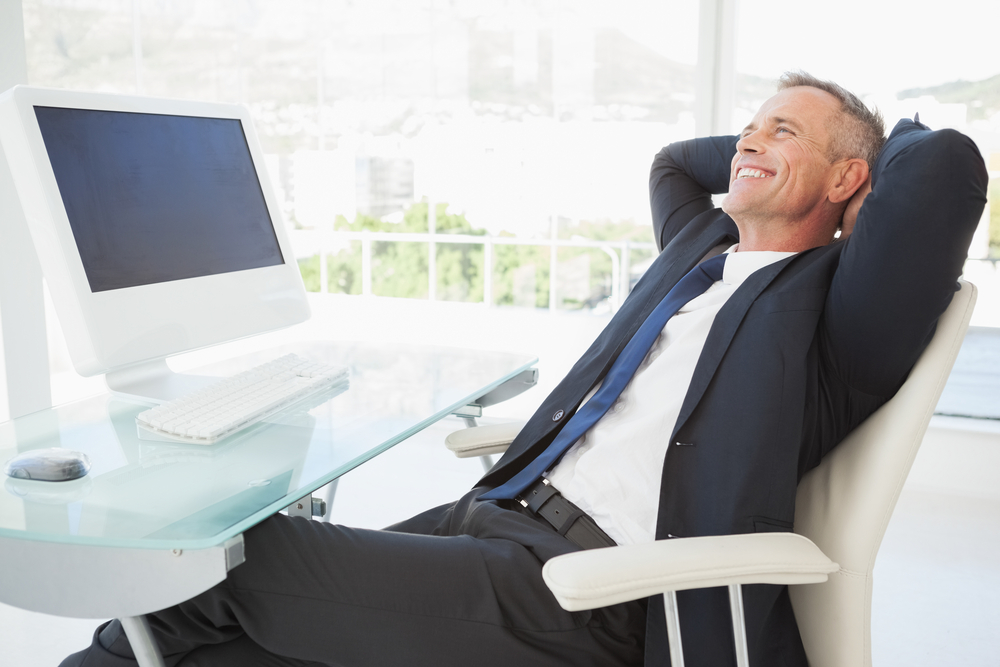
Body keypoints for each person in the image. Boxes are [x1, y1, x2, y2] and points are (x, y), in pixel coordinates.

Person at [62, 72, 988, 667]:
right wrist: (769, 148)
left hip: (586, 594)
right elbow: (673, 162)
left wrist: (868, 143)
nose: (745, 142)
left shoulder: (836, 316)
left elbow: (944, 169)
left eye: (780, 131)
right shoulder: (702, 250)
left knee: (216, 565)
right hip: (498, 516)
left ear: (848, 183)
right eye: (746, 127)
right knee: (209, 642)